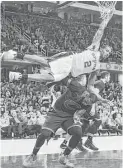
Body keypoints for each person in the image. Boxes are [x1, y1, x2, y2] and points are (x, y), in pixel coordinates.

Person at [23, 74, 97, 168]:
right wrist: (52, 84)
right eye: (86, 101)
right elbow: (62, 78)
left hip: (69, 116)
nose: (86, 103)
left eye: (89, 103)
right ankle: (33, 155)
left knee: (78, 132)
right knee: (45, 134)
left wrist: (77, 118)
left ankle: (64, 156)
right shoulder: (77, 87)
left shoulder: (88, 105)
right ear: (85, 95)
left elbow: (78, 113)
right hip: (56, 113)